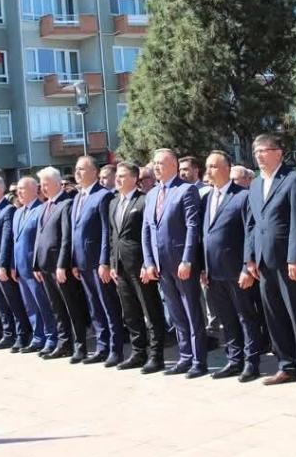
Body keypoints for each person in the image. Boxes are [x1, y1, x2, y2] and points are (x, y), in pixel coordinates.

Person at [245, 134, 296, 390]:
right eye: (256, 152)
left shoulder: (293, 180)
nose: (259, 156)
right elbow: (252, 224)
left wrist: (295, 257)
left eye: (264, 151)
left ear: (278, 153)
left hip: (288, 261)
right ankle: (286, 365)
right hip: (264, 262)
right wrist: (249, 258)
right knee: (274, 316)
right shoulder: (255, 184)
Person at [142, 148, 207, 378]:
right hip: (161, 265)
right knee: (176, 313)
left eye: (161, 163)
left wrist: (188, 259)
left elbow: (192, 227)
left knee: (192, 312)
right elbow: (147, 230)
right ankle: (185, 356)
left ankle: (198, 360)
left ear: (173, 165)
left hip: (181, 263)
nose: (156, 167)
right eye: (155, 163)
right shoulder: (151, 194)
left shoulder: (186, 190)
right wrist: (148, 262)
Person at [201, 150, 263, 382]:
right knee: (227, 319)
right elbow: (204, 234)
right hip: (214, 271)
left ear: (227, 168)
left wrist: (247, 266)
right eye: (207, 166)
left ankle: (251, 362)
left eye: (213, 166)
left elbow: (250, 232)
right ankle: (234, 360)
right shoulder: (207, 198)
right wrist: (203, 267)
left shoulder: (242, 196)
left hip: (237, 270)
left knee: (246, 317)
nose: (208, 171)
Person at [65, 155, 123, 366]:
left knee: (108, 306)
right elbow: (74, 232)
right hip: (82, 263)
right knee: (94, 307)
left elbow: (107, 232)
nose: (77, 172)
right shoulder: (78, 197)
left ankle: (115, 349)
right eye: (76, 169)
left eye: (82, 169)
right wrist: (73, 261)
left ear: (94, 172)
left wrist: (104, 262)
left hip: (98, 262)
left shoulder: (103, 195)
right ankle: (101, 346)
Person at [108, 161, 166, 373]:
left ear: (134, 178)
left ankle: (156, 355)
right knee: (130, 312)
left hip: (140, 265)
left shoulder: (143, 200)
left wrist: (147, 262)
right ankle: (138, 352)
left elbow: (149, 233)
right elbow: (113, 236)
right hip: (121, 267)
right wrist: (112, 262)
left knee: (151, 310)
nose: (118, 179)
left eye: (123, 175)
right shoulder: (114, 203)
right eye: (117, 175)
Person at [33, 167, 89, 362]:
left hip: (59, 267)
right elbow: (39, 236)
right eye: (41, 184)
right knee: (57, 308)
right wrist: (36, 265)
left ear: (57, 183)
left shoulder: (66, 204)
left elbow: (67, 237)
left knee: (72, 308)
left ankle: (80, 346)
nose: (43, 188)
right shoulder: (45, 206)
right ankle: (64, 344)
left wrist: (62, 265)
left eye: (46, 184)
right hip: (45, 266)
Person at [0, 175, 31, 352]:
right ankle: (8, 334)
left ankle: (22, 335)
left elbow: (6, 239)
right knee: (0, 302)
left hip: (1, 266)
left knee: (13, 301)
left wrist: (2, 264)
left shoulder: (7, 210)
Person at [11, 177, 57, 354]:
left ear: (34, 189)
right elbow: (15, 242)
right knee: (30, 306)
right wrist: (13, 265)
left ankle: (51, 337)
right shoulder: (18, 212)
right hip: (21, 268)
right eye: (18, 189)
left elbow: (40, 241)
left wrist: (37, 265)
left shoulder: (41, 209)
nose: (19, 192)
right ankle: (38, 337)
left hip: (35, 268)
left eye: (23, 188)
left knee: (43, 305)